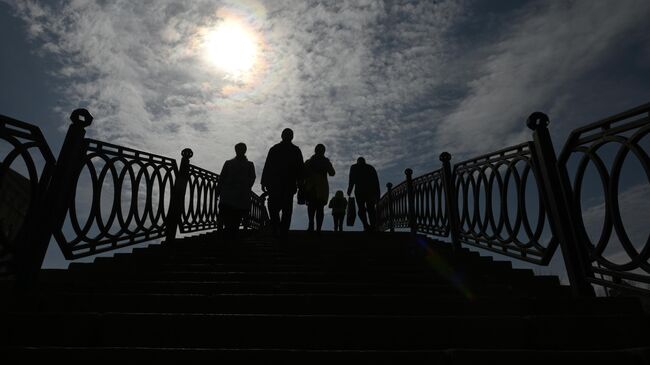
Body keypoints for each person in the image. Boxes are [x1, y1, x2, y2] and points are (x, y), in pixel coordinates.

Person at [261, 128, 304, 238]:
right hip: (279, 184)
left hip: (284, 184)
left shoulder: (291, 150)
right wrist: (264, 181)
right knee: (279, 208)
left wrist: (264, 181)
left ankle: (280, 229)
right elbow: (268, 165)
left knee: (283, 208)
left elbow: (300, 169)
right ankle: (279, 228)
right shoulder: (279, 149)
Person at [216, 143, 256, 241]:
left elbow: (252, 178)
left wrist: (245, 187)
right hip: (229, 195)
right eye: (238, 149)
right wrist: (219, 190)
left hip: (239, 196)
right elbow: (222, 178)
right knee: (226, 217)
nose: (239, 150)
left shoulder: (249, 164)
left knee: (234, 220)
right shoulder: (229, 163)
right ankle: (224, 236)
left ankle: (229, 237)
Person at [303, 144, 335, 232]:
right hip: (317, 188)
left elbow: (332, 173)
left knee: (314, 207)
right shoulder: (313, 161)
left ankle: (313, 226)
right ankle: (315, 227)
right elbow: (332, 173)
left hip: (315, 187)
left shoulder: (310, 161)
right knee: (316, 207)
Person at [347, 157, 380, 231]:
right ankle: (371, 225)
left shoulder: (354, 167)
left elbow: (351, 179)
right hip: (369, 191)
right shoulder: (370, 167)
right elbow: (376, 181)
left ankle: (366, 225)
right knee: (370, 208)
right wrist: (377, 193)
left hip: (360, 191)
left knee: (363, 208)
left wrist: (349, 190)